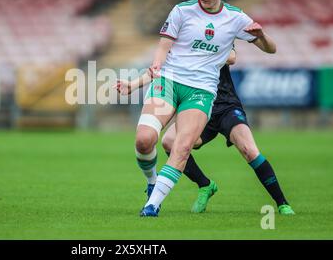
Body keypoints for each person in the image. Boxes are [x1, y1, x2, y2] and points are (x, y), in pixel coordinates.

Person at [131, 0, 278, 217]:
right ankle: (152, 181)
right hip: (168, 81)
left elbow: (270, 50)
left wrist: (262, 36)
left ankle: (151, 205)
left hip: (201, 91)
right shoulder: (181, 10)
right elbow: (164, 45)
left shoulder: (235, 18)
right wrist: (155, 66)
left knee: (183, 146)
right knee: (144, 141)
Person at [116, 50, 295, 215]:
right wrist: (133, 85)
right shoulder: (182, 35)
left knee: (249, 150)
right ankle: (205, 185)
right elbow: (160, 67)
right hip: (195, 105)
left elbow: (231, 57)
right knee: (169, 142)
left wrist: (196, 51)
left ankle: (282, 203)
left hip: (225, 105)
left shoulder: (214, 29)